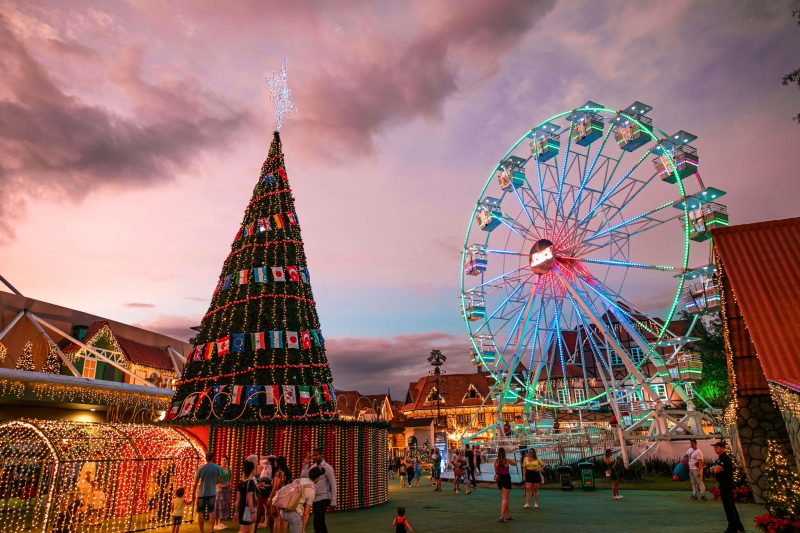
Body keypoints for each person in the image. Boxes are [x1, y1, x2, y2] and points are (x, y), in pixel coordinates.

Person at [709, 441, 745, 533]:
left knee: (729, 507)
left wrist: (714, 469)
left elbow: (716, 469)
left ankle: (732, 527)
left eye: (716, 447)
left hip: (727, 486)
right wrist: (714, 468)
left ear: (722, 448)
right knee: (730, 506)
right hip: (723, 485)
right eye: (714, 447)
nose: (715, 449)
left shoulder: (725, 458)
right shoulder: (720, 459)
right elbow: (712, 469)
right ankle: (738, 525)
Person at [301, 448, 336, 533]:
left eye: (316, 455)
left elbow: (333, 484)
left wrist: (333, 501)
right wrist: (306, 463)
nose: (315, 457)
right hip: (314, 498)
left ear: (321, 455)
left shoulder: (327, 468)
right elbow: (303, 476)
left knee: (317, 521)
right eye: (313, 455)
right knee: (320, 521)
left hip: (324, 498)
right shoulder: (313, 467)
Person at [281, 466, 323, 533]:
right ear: (317, 478)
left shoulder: (298, 480)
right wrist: (303, 529)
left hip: (283, 511)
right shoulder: (311, 490)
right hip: (295, 513)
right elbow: (306, 512)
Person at [193, 453, 221, 533]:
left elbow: (196, 482)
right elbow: (218, 480)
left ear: (206, 458)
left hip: (202, 493)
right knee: (211, 512)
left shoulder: (201, 468)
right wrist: (213, 483)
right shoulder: (217, 468)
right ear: (213, 458)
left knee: (200, 512)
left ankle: (202, 531)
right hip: (212, 492)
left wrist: (193, 493)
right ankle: (212, 530)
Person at [268, 456, 292, 533]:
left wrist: (270, 498)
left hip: (278, 497)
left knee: (276, 519)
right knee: (284, 519)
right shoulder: (288, 472)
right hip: (286, 497)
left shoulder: (278, 473)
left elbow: (275, 487)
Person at [233, 459, 257, 533]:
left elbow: (237, 500)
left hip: (241, 509)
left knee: (247, 530)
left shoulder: (241, 483)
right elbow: (250, 499)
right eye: (254, 468)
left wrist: (236, 512)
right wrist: (252, 512)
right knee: (245, 530)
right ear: (252, 470)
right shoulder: (251, 482)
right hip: (248, 510)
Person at [494, 447, 516, 522]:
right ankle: (502, 516)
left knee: (505, 498)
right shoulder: (507, 460)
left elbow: (496, 471)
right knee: (505, 498)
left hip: (499, 479)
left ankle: (509, 515)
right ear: (504, 453)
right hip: (506, 478)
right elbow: (515, 464)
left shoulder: (496, 461)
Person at [255, 455, 273, 529]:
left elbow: (261, 460)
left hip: (265, 482)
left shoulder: (267, 466)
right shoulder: (267, 467)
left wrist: (266, 457)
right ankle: (265, 521)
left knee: (264, 504)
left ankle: (265, 522)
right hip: (264, 481)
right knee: (264, 505)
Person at [214, 456, 232, 530]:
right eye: (222, 460)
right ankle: (216, 523)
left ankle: (221, 522)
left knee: (224, 505)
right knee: (219, 505)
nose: (223, 461)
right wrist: (220, 485)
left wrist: (230, 484)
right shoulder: (218, 469)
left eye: (224, 460)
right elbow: (216, 480)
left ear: (227, 461)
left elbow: (230, 478)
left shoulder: (229, 469)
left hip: (227, 489)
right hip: (219, 489)